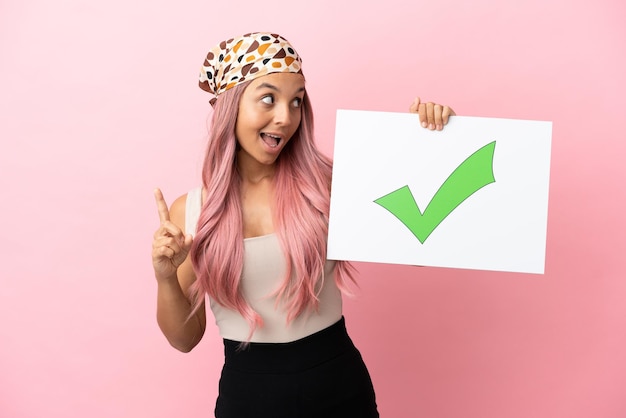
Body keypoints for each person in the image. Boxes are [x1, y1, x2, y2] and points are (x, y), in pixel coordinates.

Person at [151, 32, 455, 418]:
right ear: (230, 106)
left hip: (340, 392)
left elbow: (418, 241)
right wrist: (165, 277)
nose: (286, 116)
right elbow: (183, 340)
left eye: (296, 101)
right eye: (268, 98)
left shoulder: (326, 186)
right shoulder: (192, 210)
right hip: (247, 400)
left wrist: (432, 142)